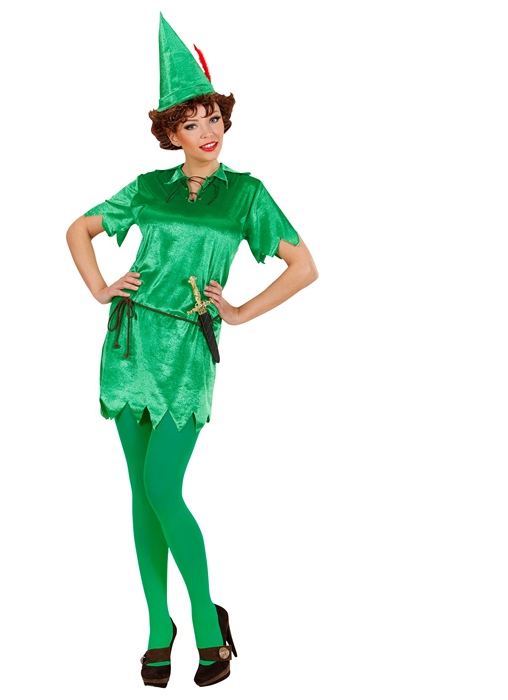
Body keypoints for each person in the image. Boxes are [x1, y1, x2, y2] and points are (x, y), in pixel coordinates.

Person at [66, 14, 318, 688]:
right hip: (128, 345)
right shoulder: (149, 188)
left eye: (213, 117)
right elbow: (79, 230)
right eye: (191, 122)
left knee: (162, 486)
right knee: (141, 494)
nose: (208, 131)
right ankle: (159, 626)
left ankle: (207, 620)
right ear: (170, 134)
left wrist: (236, 311)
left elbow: (303, 267)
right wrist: (101, 288)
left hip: (186, 353)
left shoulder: (246, 194)